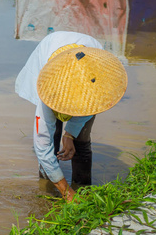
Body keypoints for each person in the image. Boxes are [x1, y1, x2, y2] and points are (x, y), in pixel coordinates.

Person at [15, 31, 128, 202]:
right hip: (51, 58)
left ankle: (83, 190)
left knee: (81, 141)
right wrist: (65, 191)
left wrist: (70, 135)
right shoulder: (49, 89)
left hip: (89, 64)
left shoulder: (94, 81)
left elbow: (91, 106)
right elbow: (41, 142)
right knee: (51, 141)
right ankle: (50, 193)